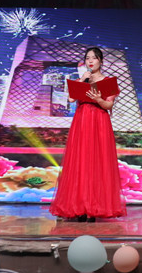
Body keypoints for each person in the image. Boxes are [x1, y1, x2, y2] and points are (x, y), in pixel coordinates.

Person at [50, 47, 126, 220]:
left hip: (99, 121)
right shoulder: (81, 79)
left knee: (98, 162)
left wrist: (98, 99)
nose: (90, 61)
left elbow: (109, 105)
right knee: (81, 162)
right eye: (87, 58)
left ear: (101, 61)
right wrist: (83, 80)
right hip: (82, 121)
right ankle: (79, 206)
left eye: (94, 58)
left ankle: (95, 207)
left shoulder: (108, 82)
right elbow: (71, 99)